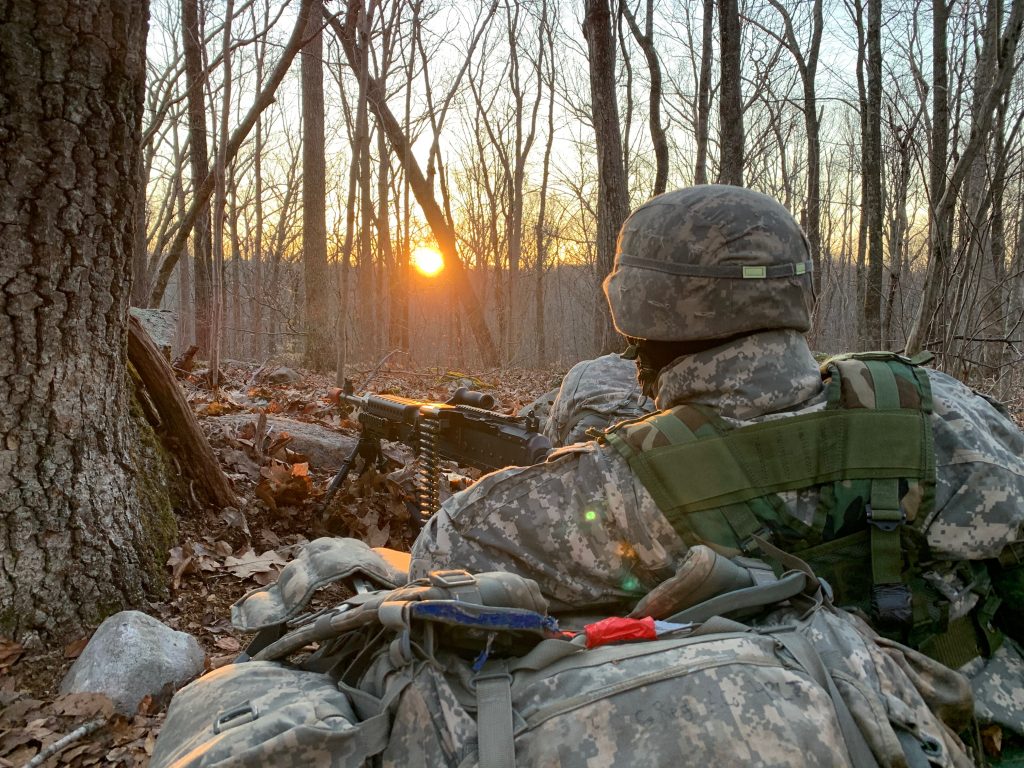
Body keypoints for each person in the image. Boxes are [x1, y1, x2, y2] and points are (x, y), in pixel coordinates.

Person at [411, 185, 1024, 750]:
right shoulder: (936, 407)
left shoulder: (632, 483)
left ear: (645, 310)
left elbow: (442, 553)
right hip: (981, 729)